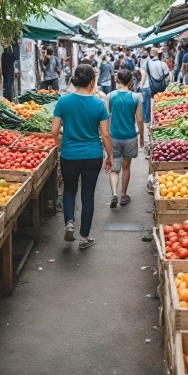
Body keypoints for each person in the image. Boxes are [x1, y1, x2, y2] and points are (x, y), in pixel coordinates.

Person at [51, 65, 113, 249]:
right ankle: (84, 238)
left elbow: (54, 130)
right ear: (92, 81)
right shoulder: (99, 104)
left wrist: (61, 144)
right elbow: (106, 135)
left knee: (69, 190)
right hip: (92, 155)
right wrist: (110, 156)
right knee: (87, 196)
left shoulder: (63, 101)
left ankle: (69, 222)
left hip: (69, 155)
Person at [107, 69, 144, 208]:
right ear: (130, 82)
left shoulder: (110, 96)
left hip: (114, 137)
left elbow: (105, 117)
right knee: (126, 167)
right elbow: (140, 119)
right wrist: (141, 137)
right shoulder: (135, 98)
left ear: (117, 80)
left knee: (114, 168)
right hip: (129, 137)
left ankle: (114, 193)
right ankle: (123, 195)